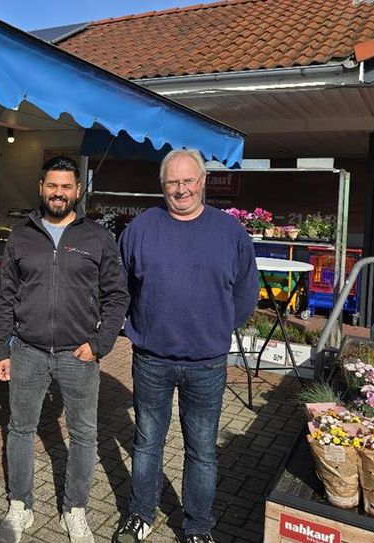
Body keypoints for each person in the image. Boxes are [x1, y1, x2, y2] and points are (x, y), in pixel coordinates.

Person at [113, 149, 258, 543]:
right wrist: (132, 326)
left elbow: (247, 290)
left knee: (202, 451)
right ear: (162, 186)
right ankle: (141, 513)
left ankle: (197, 527)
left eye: (188, 180)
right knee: (146, 444)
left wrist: (219, 327)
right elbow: (119, 287)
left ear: (203, 182)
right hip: (152, 360)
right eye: (173, 182)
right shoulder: (141, 229)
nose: (182, 189)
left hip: (207, 363)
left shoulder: (229, 232)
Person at [0, 156, 130, 543]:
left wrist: (100, 345)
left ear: (78, 190)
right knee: (20, 430)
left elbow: (117, 297)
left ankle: (75, 509)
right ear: (41, 187)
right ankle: (20, 506)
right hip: (28, 352)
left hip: (79, 355)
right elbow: (4, 297)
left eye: (66, 186)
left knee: (84, 434)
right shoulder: (21, 234)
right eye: (52, 185)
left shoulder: (98, 238)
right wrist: (1, 350)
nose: (58, 193)